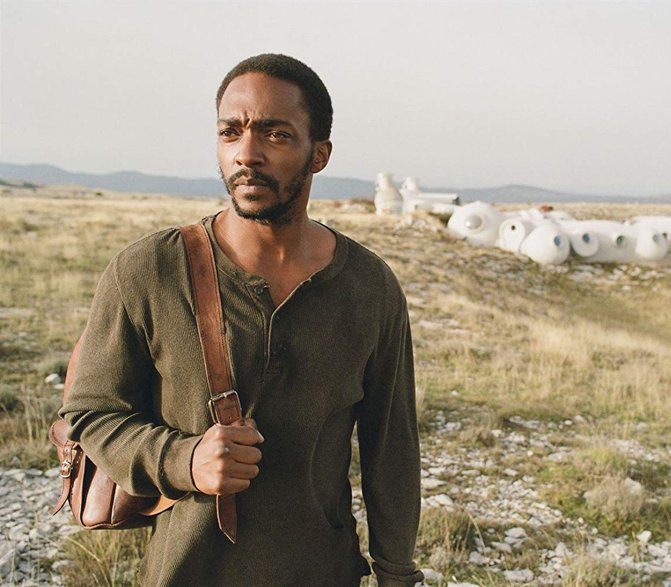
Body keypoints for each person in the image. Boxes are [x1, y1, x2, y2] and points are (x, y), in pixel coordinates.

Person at [60, 53, 424, 587]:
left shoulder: (369, 287)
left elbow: (391, 449)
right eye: (230, 132)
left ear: (319, 154)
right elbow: (90, 414)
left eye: (276, 134)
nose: (246, 154)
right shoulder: (149, 270)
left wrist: (397, 574)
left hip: (322, 571)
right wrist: (184, 460)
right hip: (186, 573)